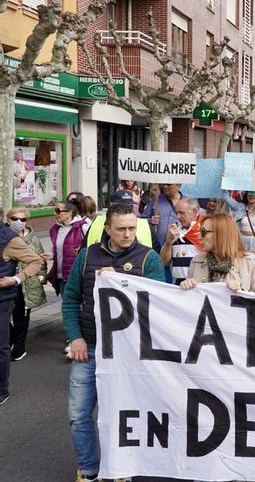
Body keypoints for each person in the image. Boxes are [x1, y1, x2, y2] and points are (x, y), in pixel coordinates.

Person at [63, 204, 165, 479]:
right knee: (79, 415)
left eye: (132, 228)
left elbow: (157, 304)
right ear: (107, 229)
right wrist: (76, 338)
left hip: (128, 355)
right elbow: (71, 299)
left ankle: (121, 468)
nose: (128, 234)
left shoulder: (149, 259)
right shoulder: (86, 257)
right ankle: (89, 470)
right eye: (121, 229)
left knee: (123, 417)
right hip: (91, 349)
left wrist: (120, 282)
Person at [0, 207, 43, 404]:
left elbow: (36, 261)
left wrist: (17, 279)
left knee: (1, 345)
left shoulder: (10, 240)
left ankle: (2, 390)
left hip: (2, 300)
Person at [179, 212, 255, 294]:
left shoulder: (252, 263)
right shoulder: (196, 262)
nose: (199, 237)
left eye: (203, 232)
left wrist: (241, 293)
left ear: (221, 233)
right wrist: (187, 288)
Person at [7, 207, 48, 362]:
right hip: (7, 282)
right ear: (8, 219)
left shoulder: (33, 239)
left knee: (21, 317)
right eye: (15, 219)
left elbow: (41, 261)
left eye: (23, 219)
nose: (19, 222)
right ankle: (11, 339)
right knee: (4, 316)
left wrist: (41, 276)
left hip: (27, 284)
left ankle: (18, 348)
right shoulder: (5, 237)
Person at [159, 197, 204, 285]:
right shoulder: (175, 231)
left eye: (182, 213)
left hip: (199, 283)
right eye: (176, 213)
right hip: (179, 283)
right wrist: (168, 242)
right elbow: (163, 263)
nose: (178, 217)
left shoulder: (206, 229)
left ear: (194, 211)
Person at [49, 200, 88, 296]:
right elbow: (57, 247)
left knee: (78, 305)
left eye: (58, 211)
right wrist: (51, 254)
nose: (54, 213)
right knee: (66, 304)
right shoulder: (55, 229)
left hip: (77, 275)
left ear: (69, 213)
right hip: (61, 276)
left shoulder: (83, 227)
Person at [142, 183, 183, 250]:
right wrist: (150, 221)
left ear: (178, 186)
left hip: (180, 248)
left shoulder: (187, 202)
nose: (165, 187)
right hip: (158, 247)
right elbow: (142, 220)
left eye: (169, 185)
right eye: (164, 184)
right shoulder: (156, 200)